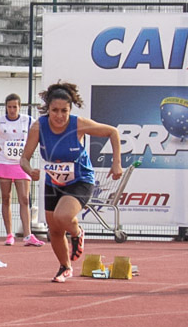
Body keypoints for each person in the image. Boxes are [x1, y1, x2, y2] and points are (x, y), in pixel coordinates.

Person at [20, 81, 122, 283]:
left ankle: (78, 232)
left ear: (70, 109)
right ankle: (65, 267)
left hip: (80, 179)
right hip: (53, 182)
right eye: (54, 110)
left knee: (63, 216)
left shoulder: (78, 124)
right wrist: (30, 170)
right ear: (47, 109)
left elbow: (113, 132)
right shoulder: (38, 127)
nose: (59, 116)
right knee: (55, 230)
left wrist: (116, 163)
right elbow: (24, 158)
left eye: (64, 111)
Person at [0, 93, 44, 247]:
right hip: (4, 163)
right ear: (6, 107)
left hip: (21, 164)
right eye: (9, 107)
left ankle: (28, 235)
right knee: (6, 199)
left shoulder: (28, 121)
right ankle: (9, 234)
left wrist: (31, 149)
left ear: (20, 107)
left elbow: (41, 132)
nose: (12, 110)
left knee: (24, 199)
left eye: (15, 107)